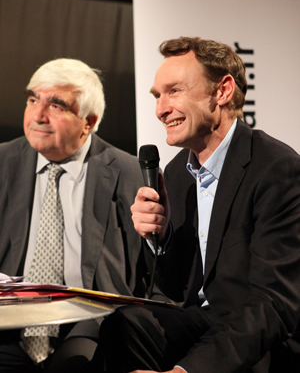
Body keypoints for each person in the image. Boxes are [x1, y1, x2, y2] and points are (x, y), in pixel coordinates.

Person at [86, 37, 300, 373]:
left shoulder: (276, 168)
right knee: (125, 325)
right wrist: (161, 237)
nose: (161, 109)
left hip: (260, 338)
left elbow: (274, 304)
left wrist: (186, 372)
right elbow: (172, 289)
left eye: (174, 91)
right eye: (158, 96)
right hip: (202, 320)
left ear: (223, 91)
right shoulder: (176, 172)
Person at [0, 58, 147, 373]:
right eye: (32, 100)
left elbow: (152, 271)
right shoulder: (2, 163)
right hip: (8, 327)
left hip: (90, 324)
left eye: (56, 106)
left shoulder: (129, 172)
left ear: (89, 121)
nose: (38, 115)